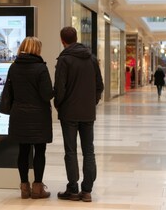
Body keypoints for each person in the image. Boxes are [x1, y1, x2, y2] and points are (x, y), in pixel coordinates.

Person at [54, 26, 104, 203]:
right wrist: (92, 102)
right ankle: (87, 190)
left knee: (71, 151)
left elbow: (60, 88)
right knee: (89, 150)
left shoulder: (64, 60)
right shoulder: (91, 59)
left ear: (62, 40)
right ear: (76, 38)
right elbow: (100, 85)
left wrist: (58, 105)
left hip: (69, 113)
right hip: (87, 113)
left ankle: (73, 189)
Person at [6, 36, 53, 199]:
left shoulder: (13, 68)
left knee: (23, 151)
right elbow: (47, 94)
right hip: (39, 115)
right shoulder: (41, 68)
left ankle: (24, 187)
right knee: (39, 151)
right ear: (36, 49)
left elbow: (9, 93)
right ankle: (38, 188)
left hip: (19, 114)